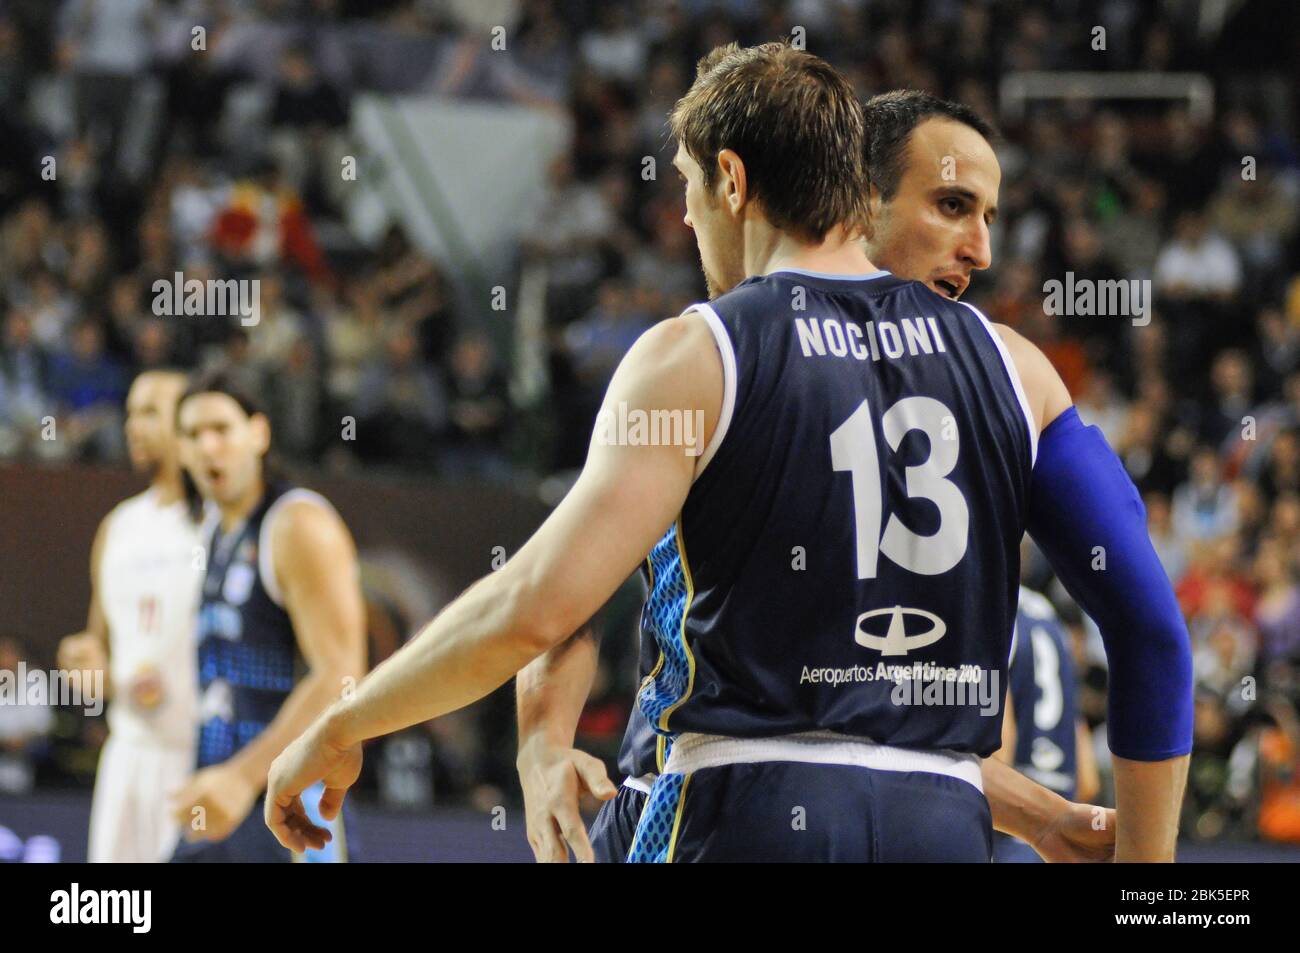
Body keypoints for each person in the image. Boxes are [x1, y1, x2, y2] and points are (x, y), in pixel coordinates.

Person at [265, 43, 1191, 863]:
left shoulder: (700, 352)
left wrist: (345, 722)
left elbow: (540, 601)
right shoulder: (1015, 366)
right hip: (941, 815)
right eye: (953, 206)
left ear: (733, 181)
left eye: (686, 184)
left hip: (741, 800)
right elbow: (1150, 630)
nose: (685, 215)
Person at [520, 89, 1119, 864]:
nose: (980, 250)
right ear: (856, 209)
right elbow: (556, 600)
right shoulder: (713, 361)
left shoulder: (976, 385)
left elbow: (852, 732)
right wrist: (540, 745)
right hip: (715, 792)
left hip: (766, 807)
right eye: (950, 206)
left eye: (987, 216)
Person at [169, 369, 366, 862]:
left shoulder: (298, 523)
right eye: (192, 435)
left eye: (221, 429)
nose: (207, 446)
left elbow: (341, 675)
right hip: (221, 800)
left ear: (258, 433)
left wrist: (242, 775)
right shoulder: (213, 532)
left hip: (293, 804)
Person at [58, 370, 202, 862]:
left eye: (149, 413)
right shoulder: (118, 526)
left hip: (195, 754)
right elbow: (97, 640)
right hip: (126, 752)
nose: (132, 427)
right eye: (129, 414)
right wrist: (82, 660)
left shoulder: (216, 526)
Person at [992, 585, 1101, 863]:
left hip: (1004, 839)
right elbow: (1087, 780)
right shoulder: (1050, 618)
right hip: (1058, 848)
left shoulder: (988, 603)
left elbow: (997, 751)